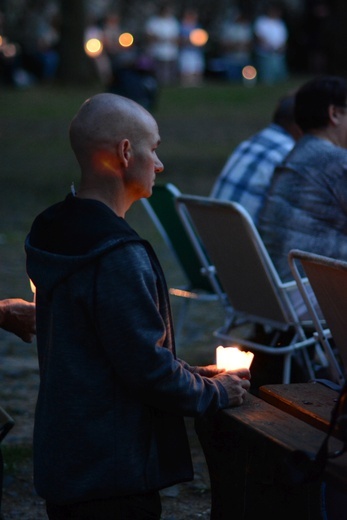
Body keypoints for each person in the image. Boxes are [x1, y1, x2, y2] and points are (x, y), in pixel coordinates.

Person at [25, 92, 251, 519]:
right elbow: (146, 369)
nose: (160, 165)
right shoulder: (116, 255)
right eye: (155, 149)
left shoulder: (51, 229)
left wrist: (192, 372)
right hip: (112, 471)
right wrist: (215, 392)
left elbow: (107, 345)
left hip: (69, 455)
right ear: (126, 152)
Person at [258, 75, 347, 316]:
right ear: (335, 114)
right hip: (311, 294)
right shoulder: (336, 162)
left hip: (279, 287)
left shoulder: (299, 153)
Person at [210, 93, 301, 226]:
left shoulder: (252, 142)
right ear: (299, 124)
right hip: (245, 242)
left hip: (211, 238)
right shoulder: (290, 155)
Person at [144, 2, 180, 86]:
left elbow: (177, 37)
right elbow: (149, 36)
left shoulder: (173, 21)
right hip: (158, 52)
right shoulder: (154, 21)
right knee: (159, 74)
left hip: (171, 52)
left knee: (170, 74)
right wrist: (159, 39)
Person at [253, 2, 288, 85]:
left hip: (278, 53)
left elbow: (284, 38)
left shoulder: (280, 23)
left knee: (279, 74)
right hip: (265, 53)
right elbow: (258, 36)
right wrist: (269, 46)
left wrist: (281, 47)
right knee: (267, 74)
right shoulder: (261, 21)